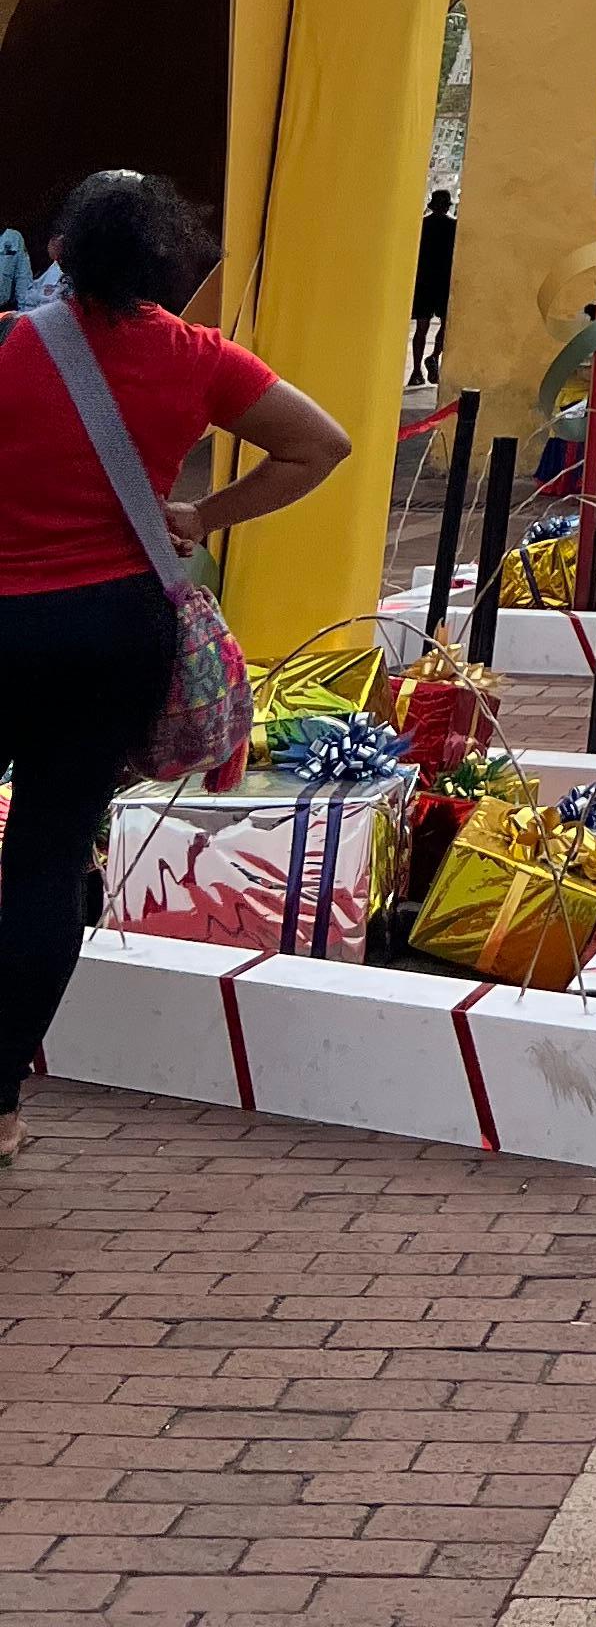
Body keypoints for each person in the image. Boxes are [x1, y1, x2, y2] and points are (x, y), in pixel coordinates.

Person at [0, 170, 350, 1170]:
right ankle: (0, 1106)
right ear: (166, 270)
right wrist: (204, 516)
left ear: (58, 253)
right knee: (49, 857)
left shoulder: (7, 343)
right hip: (114, 631)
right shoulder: (198, 357)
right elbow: (320, 444)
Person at [407, 186, 457, 389]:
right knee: (445, 325)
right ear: (446, 206)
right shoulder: (453, 227)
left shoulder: (422, 225)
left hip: (424, 281)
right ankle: (434, 356)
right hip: (444, 281)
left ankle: (416, 370)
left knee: (421, 328)